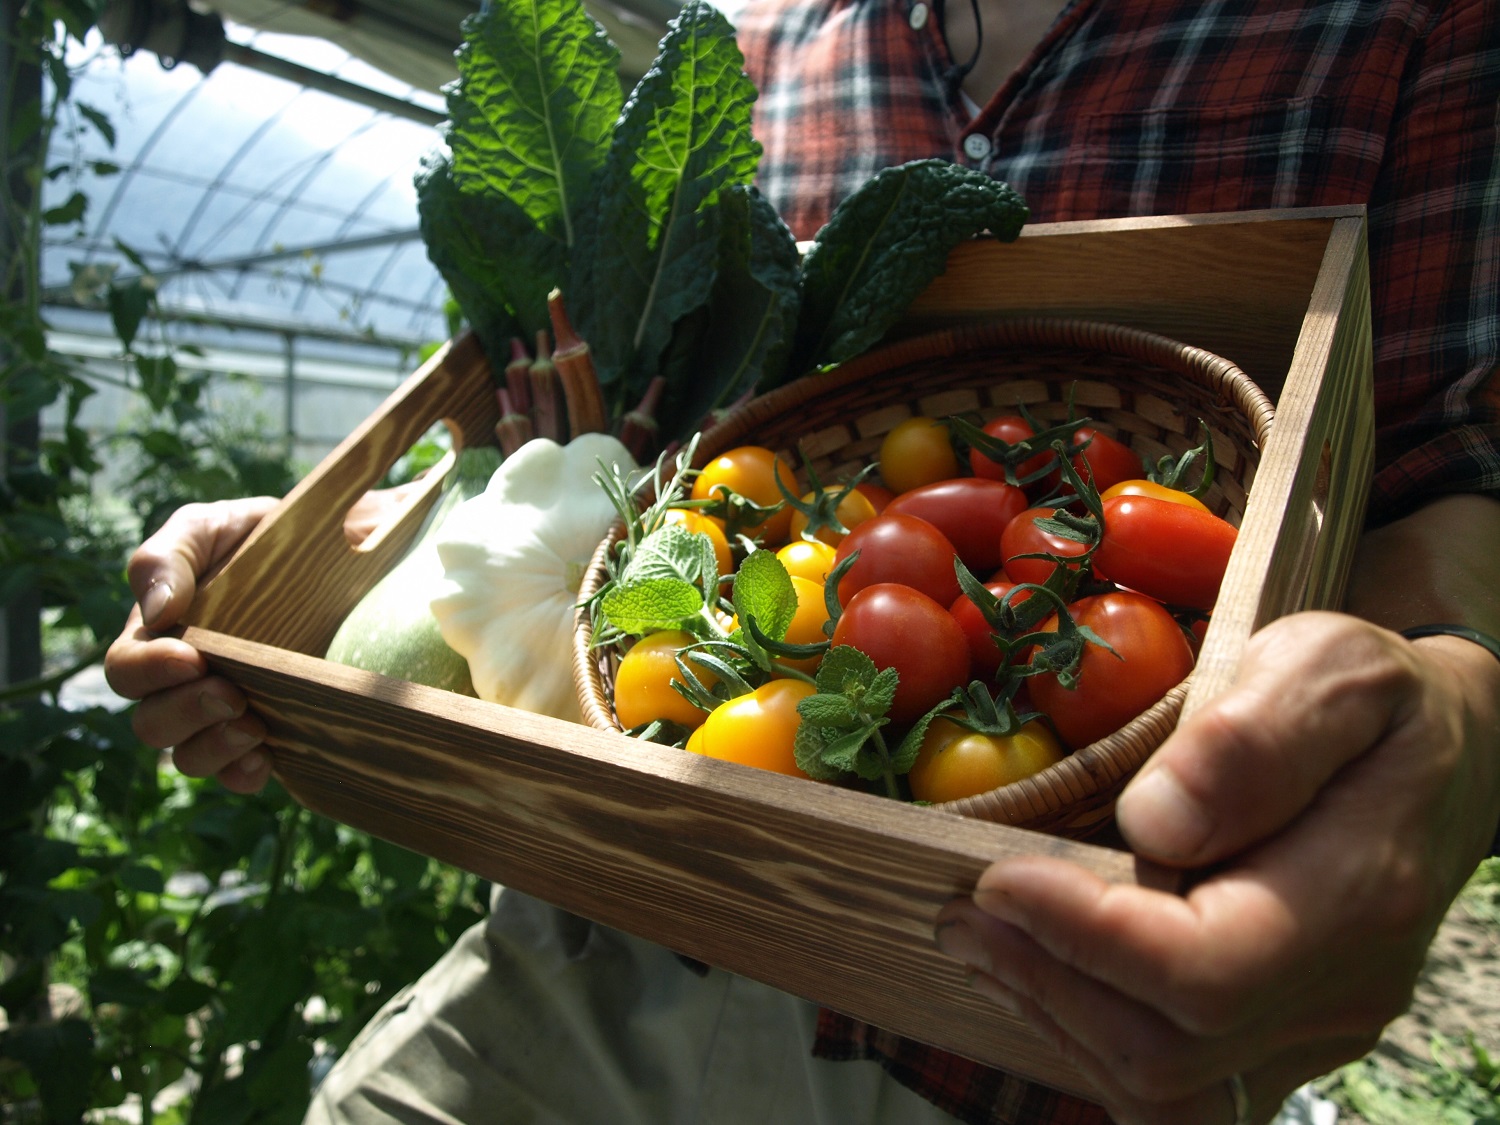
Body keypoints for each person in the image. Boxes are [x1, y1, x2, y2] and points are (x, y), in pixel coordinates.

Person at [104, 0, 1500, 1123]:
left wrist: (1455, 714)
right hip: (597, 942)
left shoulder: (1405, 24)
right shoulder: (761, 44)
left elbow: (1453, 486)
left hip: (1021, 1044)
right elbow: (655, 463)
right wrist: (347, 548)